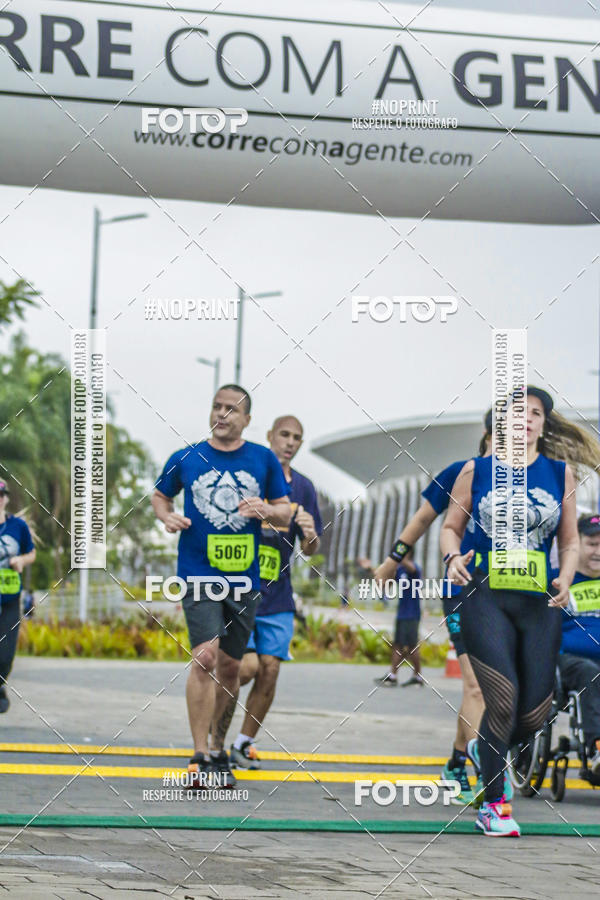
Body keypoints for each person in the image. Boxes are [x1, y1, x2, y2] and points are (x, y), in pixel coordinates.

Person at [441, 386, 595, 836]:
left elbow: (569, 540)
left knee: (533, 714)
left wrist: (566, 576)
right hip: (485, 596)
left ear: (543, 424)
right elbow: (451, 527)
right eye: (517, 412)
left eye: (535, 413)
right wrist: (453, 558)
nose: (526, 419)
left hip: (539, 602)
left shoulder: (559, 473)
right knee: (502, 700)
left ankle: (483, 751)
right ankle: (494, 806)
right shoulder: (477, 470)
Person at [152, 385, 291, 789]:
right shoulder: (187, 457)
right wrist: (167, 517)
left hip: (244, 578)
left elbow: (284, 512)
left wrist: (267, 509)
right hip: (199, 573)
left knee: (231, 666)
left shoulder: (262, 459)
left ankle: (217, 749)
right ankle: (197, 755)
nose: (223, 414)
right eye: (217, 407)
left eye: (232, 409)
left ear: (247, 419)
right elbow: (160, 496)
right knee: (204, 658)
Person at [372, 412, 492, 805]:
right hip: (465, 587)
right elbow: (424, 518)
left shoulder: (535, 480)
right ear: (489, 433)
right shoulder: (460, 473)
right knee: (477, 685)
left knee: (512, 692)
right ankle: (473, 770)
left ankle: (460, 758)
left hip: (518, 596)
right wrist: (391, 562)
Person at [229, 415, 322, 769]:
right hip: (241, 589)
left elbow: (311, 548)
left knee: (270, 669)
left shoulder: (305, 488)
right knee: (245, 667)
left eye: (297, 437)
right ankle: (212, 736)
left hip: (279, 595)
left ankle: (242, 743)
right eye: (284, 434)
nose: (290, 442)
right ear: (269, 436)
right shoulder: (249, 478)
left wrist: (310, 535)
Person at [558, 514, 600, 774]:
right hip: (569, 661)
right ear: (577, 544)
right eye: (592, 543)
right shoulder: (561, 580)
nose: (598, 551)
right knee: (590, 672)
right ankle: (597, 747)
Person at [0, 481, 36, 713]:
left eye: (1, 495)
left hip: (10, 596)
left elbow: (31, 552)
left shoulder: (18, 526)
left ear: (5, 499)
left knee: (6, 652)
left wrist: (21, 561)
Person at [374, 549, 424, 687]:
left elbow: (412, 568)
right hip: (402, 613)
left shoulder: (414, 569)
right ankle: (393, 675)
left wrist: (396, 558)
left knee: (411, 646)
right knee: (398, 645)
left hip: (412, 613)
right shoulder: (400, 570)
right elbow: (387, 582)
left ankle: (417, 677)